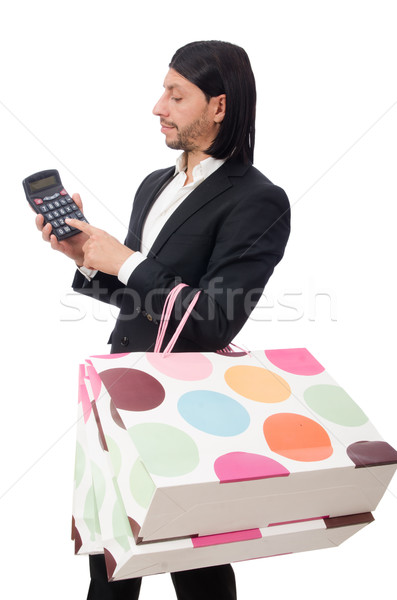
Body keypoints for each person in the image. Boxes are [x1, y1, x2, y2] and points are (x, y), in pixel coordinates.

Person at [36, 40, 290, 600]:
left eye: (177, 95)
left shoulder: (258, 200)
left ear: (218, 107)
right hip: (120, 396)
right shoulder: (155, 184)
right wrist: (84, 256)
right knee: (108, 563)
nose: (159, 106)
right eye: (163, 92)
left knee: (198, 565)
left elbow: (215, 321)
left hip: (189, 412)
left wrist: (123, 257)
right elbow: (140, 295)